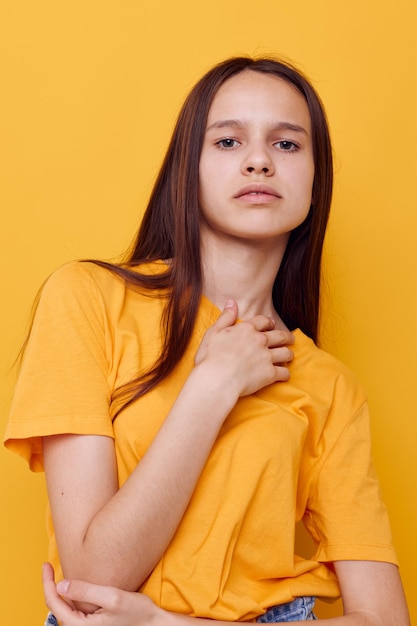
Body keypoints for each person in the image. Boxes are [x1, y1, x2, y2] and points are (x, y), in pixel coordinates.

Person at [4, 56, 410, 625]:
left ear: (316, 183)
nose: (259, 161)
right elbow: (93, 582)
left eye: (288, 145)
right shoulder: (88, 299)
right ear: (186, 170)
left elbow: (384, 619)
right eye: (227, 141)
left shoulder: (331, 389)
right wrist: (214, 384)